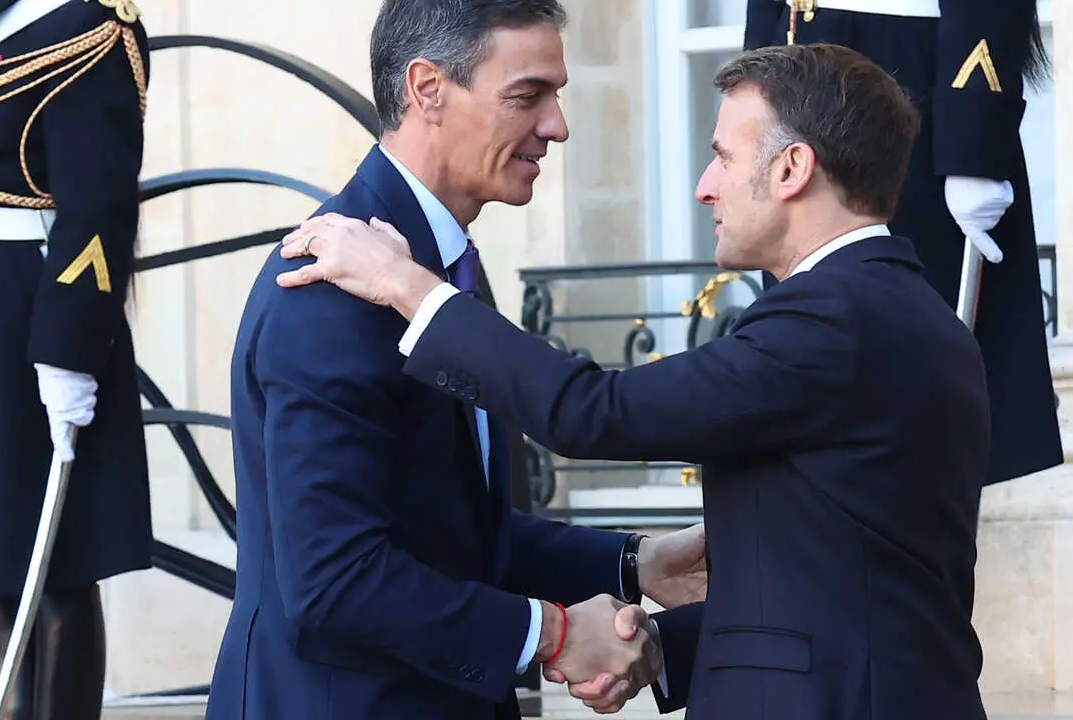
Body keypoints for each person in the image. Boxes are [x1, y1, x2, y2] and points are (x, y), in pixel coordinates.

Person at [277, 42, 994, 719]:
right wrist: (654, 643)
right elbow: (842, 584)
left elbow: (595, 412)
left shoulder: (835, 317)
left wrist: (407, 287)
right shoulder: (895, 307)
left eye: (721, 157)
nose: (705, 186)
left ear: (791, 170)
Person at [203, 2, 707, 719]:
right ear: (427, 88)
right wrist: (554, 634)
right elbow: (335, 577)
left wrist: (633, 564)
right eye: (527, 95)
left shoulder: (435, 266)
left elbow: (451, 528)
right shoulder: (328, 285)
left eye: (556, 96)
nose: (556, 125)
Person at [744, 0, 1061, 486]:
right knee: (812, 356)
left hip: (901, 75)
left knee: (915, 399)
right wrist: (752, 103)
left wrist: (972, 143)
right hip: (796, 66)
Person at [0, 0, 152, 718]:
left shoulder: (93, 28)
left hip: (26, 323)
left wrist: (68, 351)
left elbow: (97, 208)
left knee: (54, 568)